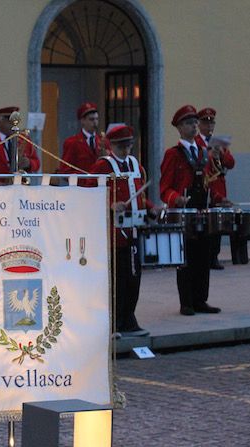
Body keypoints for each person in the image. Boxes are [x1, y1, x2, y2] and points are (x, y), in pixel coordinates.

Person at [89, 125, 156, 337]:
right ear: (112, 146)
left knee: (134, 278)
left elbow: (139, 196)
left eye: (128, 145)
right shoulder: (103, 166)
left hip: (134, 230)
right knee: (117, 280)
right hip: (114, 233)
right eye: (121, 146)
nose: (126, 150)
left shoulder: (135, 165)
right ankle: (113, 323)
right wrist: (110, 204)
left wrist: (151, 208)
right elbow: (89, 192)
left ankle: (129, 319)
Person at [160, 105, 221, 316]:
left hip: (202, 211)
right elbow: (164, 188)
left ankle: (201, 299)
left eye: (195, 122)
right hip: (183, 212)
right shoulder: (173, 154)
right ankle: (186, 302)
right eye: (188, 123)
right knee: (186, 259)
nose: (194, 126)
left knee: (203, 256)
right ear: (179, 128)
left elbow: (209, 182)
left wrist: (218, 199)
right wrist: (175, 198)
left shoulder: (204, 152)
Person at [194, 107, 239, 268]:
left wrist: (222, 154)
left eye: (211, 123)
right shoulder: (195, 142)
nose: (209, 126)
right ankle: (203, 256)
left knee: (217, 223)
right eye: (205, 123)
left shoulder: (219, 142)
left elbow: (231, 163)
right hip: (203, 186)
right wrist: (208, 155)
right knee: (204, 223)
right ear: (199, 124)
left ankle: (214, 256)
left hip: (218, 186)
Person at [57, 102, 109, 173]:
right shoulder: (72, 142)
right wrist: (85, 177)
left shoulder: (104, 141)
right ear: (82, 121)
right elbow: (65, 170)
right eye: (91, 119)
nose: (95, 122)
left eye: (97, 119)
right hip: (82, 180)